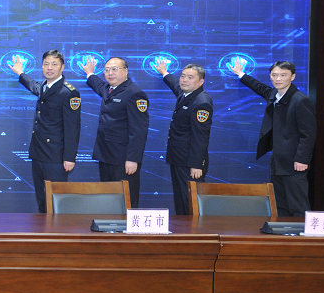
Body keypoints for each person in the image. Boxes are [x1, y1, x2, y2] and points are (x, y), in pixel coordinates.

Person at [231, 57, 316, 217]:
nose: (278, 79)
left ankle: (303, 233)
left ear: (293, 77)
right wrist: (241, 74)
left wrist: (302, 159)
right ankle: (283, 232)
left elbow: (308, 134)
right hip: (278, 161)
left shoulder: (300, 100)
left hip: (294, 162)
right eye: (274, 75)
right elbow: (259, 87)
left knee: (297, 205)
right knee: (280, 205)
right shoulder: (274, 94)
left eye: (283, 75)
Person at [11, 50, 81, 213]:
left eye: (54, 64)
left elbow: (73, 128)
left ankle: (58, 229)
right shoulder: (44, 85)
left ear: (62, 67)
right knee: (42, 199)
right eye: (46, 64)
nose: (49, 68)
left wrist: (69, 157)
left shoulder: (69, 92)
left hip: (55, 156)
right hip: (38, 153)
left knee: (56, 200)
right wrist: (21, 73)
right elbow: (34, 86)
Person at [79, 55, 150, 208]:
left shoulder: (134, 94)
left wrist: (133, 159)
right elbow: (98, 85)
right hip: (105, 156)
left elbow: (139, 130)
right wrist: (90, 73)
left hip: (122, 159)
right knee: (108, 198)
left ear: (126, 71)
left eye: (114, 69)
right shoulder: (109, 89)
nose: (110, 73)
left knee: (126, 199)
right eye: (107, 70)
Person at [153, 58, 213, 215]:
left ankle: (194, 230)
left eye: (190, 77)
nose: (184, 80)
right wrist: (164, 72)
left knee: (190, 201)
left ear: (201, 81)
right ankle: (183, 229)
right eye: (183, 76)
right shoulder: (186, 94)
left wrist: (197, 165)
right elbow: (175, 85)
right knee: (180, 199)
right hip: (178, 159)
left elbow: (201, 136)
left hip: (190, 163)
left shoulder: (201, 103)